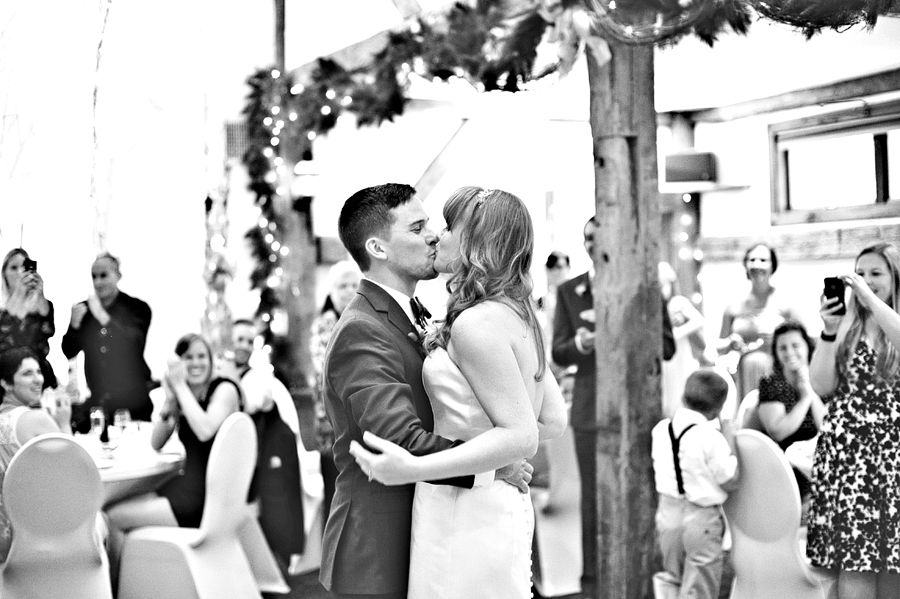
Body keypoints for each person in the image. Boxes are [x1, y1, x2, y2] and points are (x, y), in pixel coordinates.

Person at [349, 186, 568, 599]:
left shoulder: (476, 323)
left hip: (461, 508)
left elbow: (524, 434)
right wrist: (495, 460)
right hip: (495, 501)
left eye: (449, 227)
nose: (437, 236)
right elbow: (552, 419)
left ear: (477, 242)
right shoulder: (518, 311)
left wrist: (419, 469)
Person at [807, 242, 900, 598]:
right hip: (848, 457)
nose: (865, 281)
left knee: (893, 562)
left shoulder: (888, 319)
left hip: (891, 456)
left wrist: (872, 301)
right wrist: (829, 331)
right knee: (856, 562)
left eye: (876, 273)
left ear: (895, 278)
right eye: (859, 274)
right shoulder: (847, 321)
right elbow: (821, 384)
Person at [651, 368, 739, 599]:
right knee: (699, 586)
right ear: (717, 409)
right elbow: (730, 480)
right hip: (701, 519)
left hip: (668, 515)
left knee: (671, 580)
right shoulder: (711, 438)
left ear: (684, 396)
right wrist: (730, 438)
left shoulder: (660, 430)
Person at [228, 318, 305, 564]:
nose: (243, 346)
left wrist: (232, 381)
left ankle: (275, 559)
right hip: (243, 449)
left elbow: (251, 405)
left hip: (267, 448)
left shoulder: (259, 377)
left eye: (249, 341)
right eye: (239, 339)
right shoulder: (220, 370)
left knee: (274, 500)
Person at [62, 253, 155, 429]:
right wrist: (74, 326)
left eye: (103, 275)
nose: (98, 282)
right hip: (99, 401)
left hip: (133, 401)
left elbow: (131, 344)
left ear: (118, 276)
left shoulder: (137, 308)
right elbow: (69, 350)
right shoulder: (85, 311)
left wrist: (102, 317)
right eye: (94, 276)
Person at [0, 348, 73, 561]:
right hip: (34, 537)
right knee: (102, 520)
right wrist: (64, 423)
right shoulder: (35, 419)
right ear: (6, 383)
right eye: (27, 373)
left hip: (4, 536)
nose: (38, 379)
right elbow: (79, 474)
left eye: (38, 371)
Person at [309, 260, 362, 514]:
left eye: (355, 285)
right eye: (343, 286)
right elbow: (327, 371)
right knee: (336, 493)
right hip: (332, 422)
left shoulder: (362, 320)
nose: (349, 290)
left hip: (361, 419)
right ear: (332, 290)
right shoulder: (324, 324)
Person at [717, 243, 802, 399]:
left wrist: (778, 341)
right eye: (752, 260)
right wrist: (730, 342)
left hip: (777, 373)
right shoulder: (734, 306)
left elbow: (804, 343)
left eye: (763, 260)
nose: (757, 265)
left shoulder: (786, 303)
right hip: (743, 373)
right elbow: (719, 348)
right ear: (746, 265)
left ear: (772, 265)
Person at [756, 320, 825, 499]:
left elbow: (827, 427)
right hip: (786, 469)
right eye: (783, 348)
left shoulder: (822, 379)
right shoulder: (771, 384)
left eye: (795, 346)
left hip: (818, 460)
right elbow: (778, 432)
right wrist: (805, 399)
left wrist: (811, 391)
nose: (789, 352)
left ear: (807, 348)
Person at [0, 249, 57, 389]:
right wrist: (18, 295)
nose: (20, 272)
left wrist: (39, 295)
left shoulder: (42, 305)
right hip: (7, 384)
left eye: (24, 267)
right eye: (14, 267)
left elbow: (46, 334)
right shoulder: (2, 309)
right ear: (4, 274)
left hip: (40, 380)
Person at [660, 261, 706, 417]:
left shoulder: (677, 303)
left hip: (679, 352)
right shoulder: (655, 308)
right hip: (666, 353)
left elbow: (699, 321)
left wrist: (676, 333)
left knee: (679, 384)